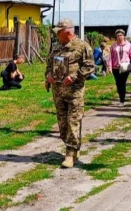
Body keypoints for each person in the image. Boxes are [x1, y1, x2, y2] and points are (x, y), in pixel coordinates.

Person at [45, 19, 94, 168]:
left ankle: (70, 154)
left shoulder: (82, 46)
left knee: (73, 121)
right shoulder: (55, 47)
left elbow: (90, 66)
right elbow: (49, 64)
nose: (56, 35)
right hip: (58, 92)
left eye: (58, 32)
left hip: (74, 92)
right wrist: (48, 76)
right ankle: (74, 145)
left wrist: (74, 77)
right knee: (62, 124)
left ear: (67, 32)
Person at [108, 29, 131, 107]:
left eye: (121, 35)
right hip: (115, 67)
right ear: (116, 37)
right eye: (118, 36)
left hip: (125, 67)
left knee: (122, 83)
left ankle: (122, 100)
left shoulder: (128, 45)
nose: (120, 37)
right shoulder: (113, 45)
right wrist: (109, 67)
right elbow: (110, 57)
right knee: (118, 83)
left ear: (124, 36)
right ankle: (121, 96)